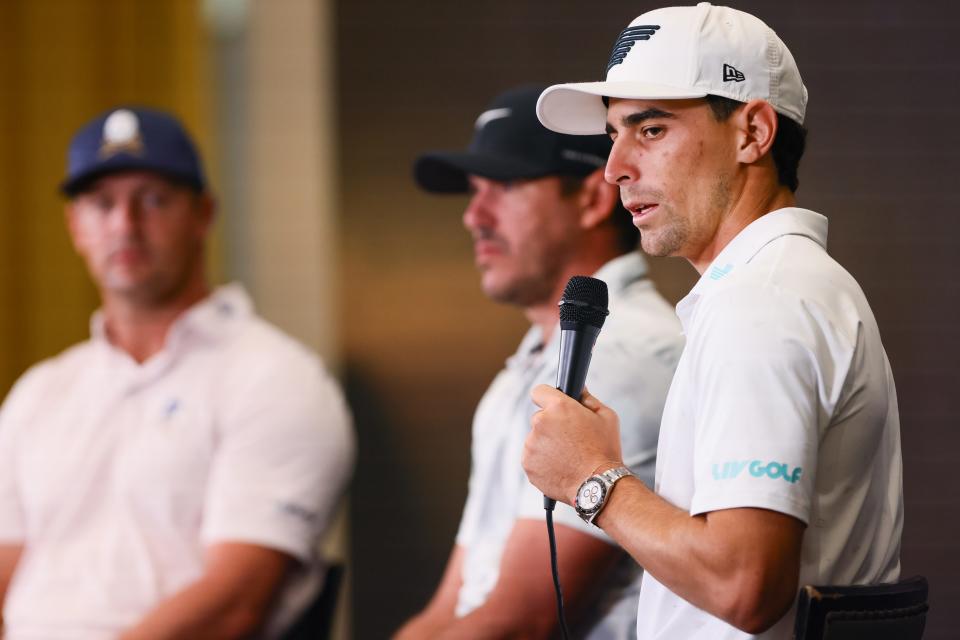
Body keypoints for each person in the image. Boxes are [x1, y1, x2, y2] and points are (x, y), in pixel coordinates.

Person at [522, 4, 904, 639]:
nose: (614, 167)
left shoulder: (763, 304)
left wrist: (594, 481)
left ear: (753, 132)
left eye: (649, 130)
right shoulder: (785, 286)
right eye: (612, 134)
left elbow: (743, 584)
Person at [0, 107, 354, 639]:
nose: (125, 224)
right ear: (75, 226)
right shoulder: (42, 391)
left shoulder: (276, 379)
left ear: (204, 215)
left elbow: (236, 602)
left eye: (154, 199)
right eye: (102, 204)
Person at [395, 85, 684, 639]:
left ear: (593, 199)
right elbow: (457, 600)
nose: (473, 216)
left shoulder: (623, 353)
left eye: (503, 186)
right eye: (473, 191)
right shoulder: (526, 368)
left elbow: (522, 620)